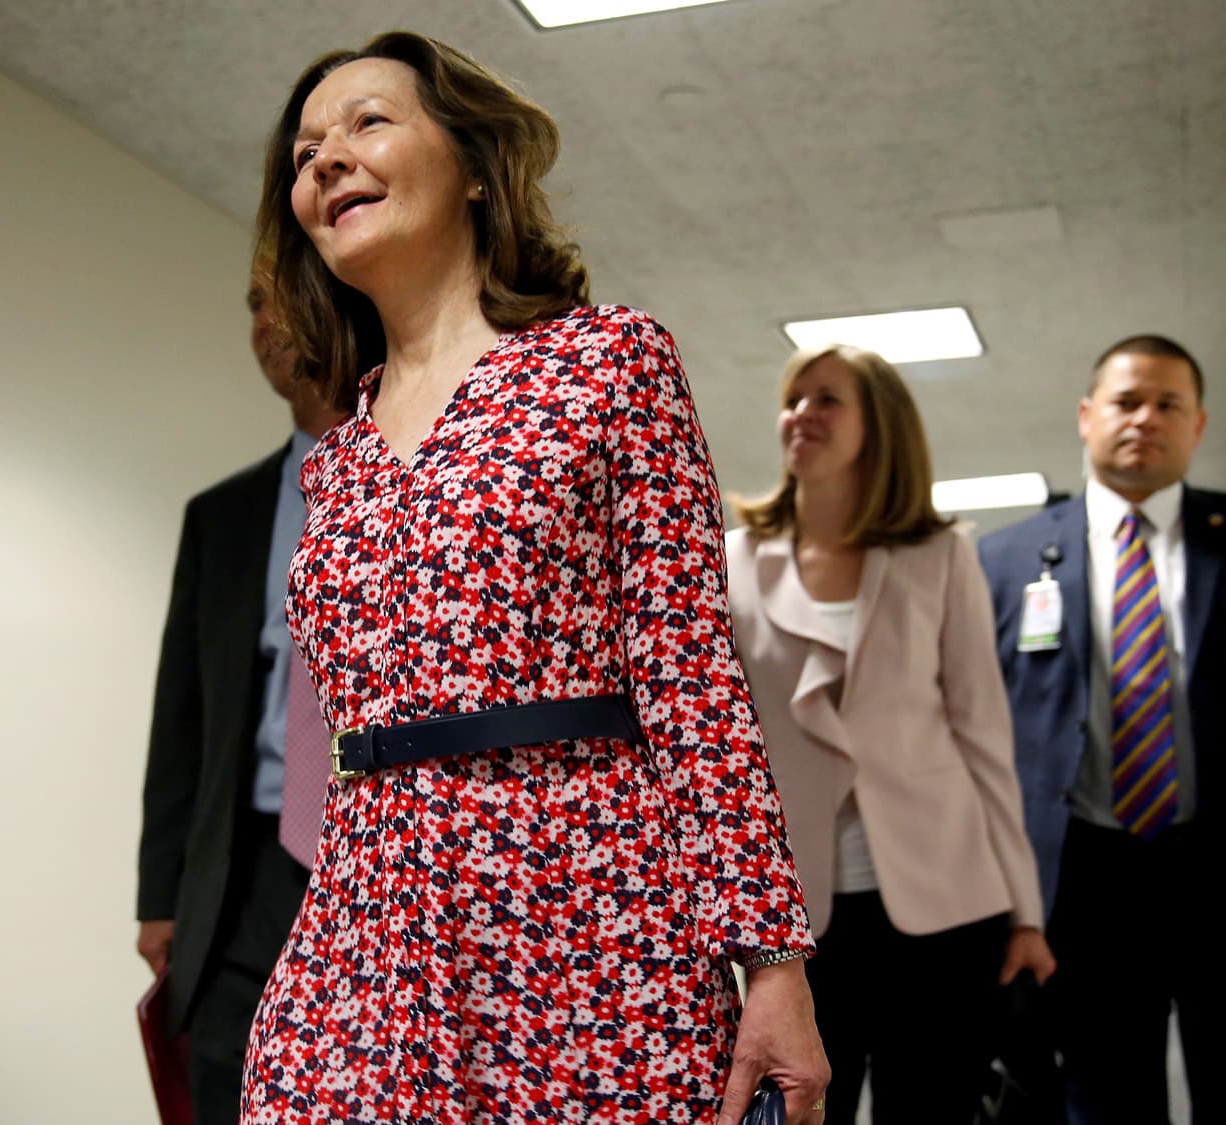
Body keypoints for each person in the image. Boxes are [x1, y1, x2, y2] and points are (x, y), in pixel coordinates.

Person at [240, 31, 830, 1125]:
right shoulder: (338, 459)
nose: (326, 160)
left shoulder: (609, 364)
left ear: (473, 166)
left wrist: (770, 960)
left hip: (585, 913)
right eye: (304, 153)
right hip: (368, 930)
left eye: (367, 123)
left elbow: (692, 676)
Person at [978, 335, 1226, 1123]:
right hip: (1084, 888)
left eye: (1168, 404)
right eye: (1126, 401)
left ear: (1198, 425)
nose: (1145, 419)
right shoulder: (1004, 559)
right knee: (1103, 1100)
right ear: (1087, 416)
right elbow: (976, 730)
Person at [723, 344, 1054, 1123]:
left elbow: (983, 738)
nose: (801, 414)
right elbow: (724, 746)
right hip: (798, 919)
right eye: (793, 398)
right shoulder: (733, 560)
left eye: (827, 398)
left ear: (881, 425)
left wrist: (1026, 913)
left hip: (947, 901)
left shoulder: (940, 555)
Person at [135, 251, 349, 1123]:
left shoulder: (430, 481)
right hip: (245, 866)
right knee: (227, 1076)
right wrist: (161, 897)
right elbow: (182, 721)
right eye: (253, 302)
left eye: (283, 297)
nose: (265, 322)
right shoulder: (219, 517)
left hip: (376, 854)